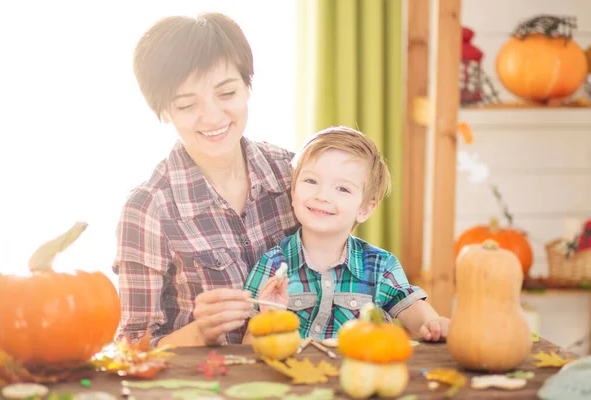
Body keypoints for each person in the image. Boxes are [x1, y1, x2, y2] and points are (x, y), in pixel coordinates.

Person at [112, 12, 299, 347]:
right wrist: (202, 331)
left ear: (247, 87)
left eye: (226, 93)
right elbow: (131, 350)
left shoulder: (293, 173)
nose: (212, 116)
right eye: (187, 104)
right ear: (165, 111)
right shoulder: (149, 208)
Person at [243, 126, 450, 342]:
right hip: (294, 374)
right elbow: (247, 348)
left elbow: (413, 309)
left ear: (365, 209)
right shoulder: (273, 265)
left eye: (342, 189)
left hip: (361, 373)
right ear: (293, 192)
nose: (322, 195)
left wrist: (432, 324)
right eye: (311, 181)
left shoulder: (380, 266)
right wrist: (268, 318)